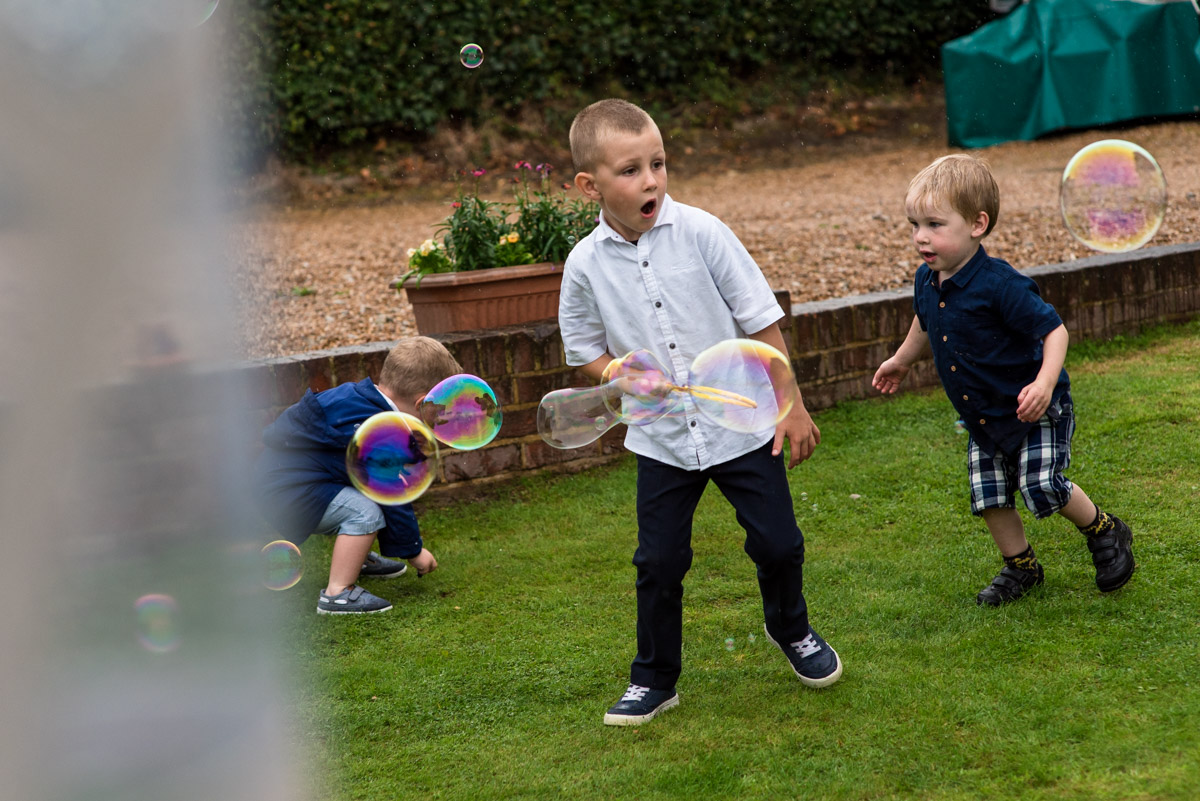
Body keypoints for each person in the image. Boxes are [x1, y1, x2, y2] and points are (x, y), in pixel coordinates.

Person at [559, 98, 843, 727]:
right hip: (659, 440)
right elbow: (583, 349)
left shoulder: (704, 232)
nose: (652, 179)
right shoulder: (583, 264)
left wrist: (789, 405)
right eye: (630, 170)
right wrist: (618, 372)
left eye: (657, 163)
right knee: (658, 562)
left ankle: (790, 629)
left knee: (778, 543)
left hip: (740, 423)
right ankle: (654, 680)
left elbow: (761, 318)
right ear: (590, 186)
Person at [872, 154, 1135, 606]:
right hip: (985, 415)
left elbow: (1054, 330)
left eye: (935, 224)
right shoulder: (927, 279)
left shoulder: (1000, 284)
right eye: (913, 224)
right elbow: (923, 321)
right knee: (990, 494)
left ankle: (1105, 530)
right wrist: (900, 360)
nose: (920, 236)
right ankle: (1022, 567)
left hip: (1035, 407)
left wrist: (1045, 384)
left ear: (977, 224)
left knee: (1041, 483)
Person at [254, 336, 460, 614]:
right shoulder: (382, 430)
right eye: (440, 410)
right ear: (423, 402)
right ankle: (337, 593)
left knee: (359, 496)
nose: (441, 417)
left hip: (281, 483)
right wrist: (414, 551)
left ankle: (355, 557)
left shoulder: (359, 401)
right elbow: (393, 494)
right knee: (365, 512)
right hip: (288, 494)